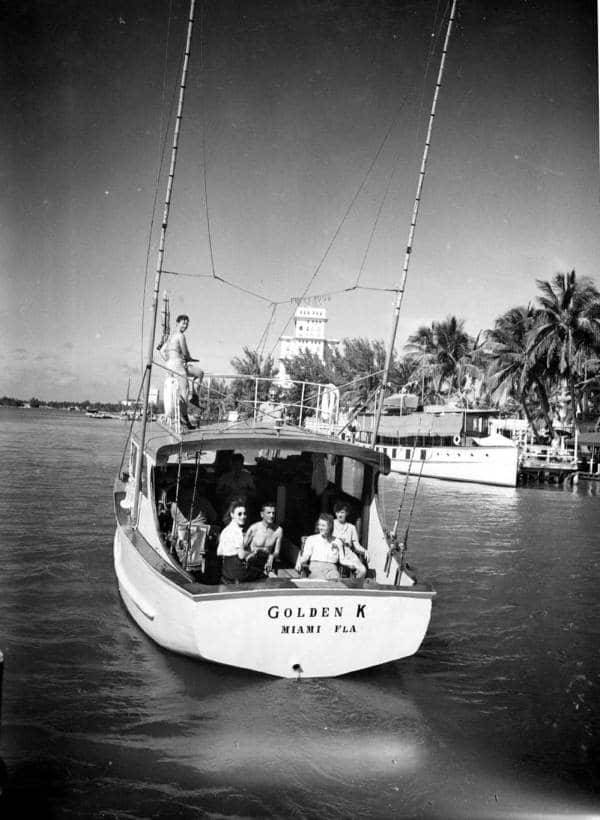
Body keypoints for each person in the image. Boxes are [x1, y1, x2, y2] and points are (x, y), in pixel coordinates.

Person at [159, 314, 204, 428]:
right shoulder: (180, 335)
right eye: (183, 323)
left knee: (199, 373)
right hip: (178, 365)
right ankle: (185, 421)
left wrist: (170, 360)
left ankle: (193, 396)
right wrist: (188, 359)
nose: (185, 325)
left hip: (170, 365)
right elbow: (185, 352)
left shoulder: (170, 337)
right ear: (177, 323)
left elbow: (162, 351)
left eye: (187, 323)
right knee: (184, 392)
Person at [217, 500, 263, 583]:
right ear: (232, 514)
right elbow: (241, 555)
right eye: (239, 514)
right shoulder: (238, 532)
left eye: (244, 513)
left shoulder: (225, 530)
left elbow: (219, 552)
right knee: (260, 574)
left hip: (225, 571)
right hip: (237, 573)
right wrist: (252, 553)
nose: (243, 516)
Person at [295, 513, 341, 580]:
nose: (320, 528)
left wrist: (355, 564)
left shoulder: (337, 541)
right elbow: (306, 555)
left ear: (330, 526)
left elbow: (343, 559)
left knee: (335, 578)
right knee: (320, 579)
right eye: (319, 525)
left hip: (332, 569)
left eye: (323, 525)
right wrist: (299, 562)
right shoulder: (311, 539)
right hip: (316, 568)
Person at [244, 502, 283, 575]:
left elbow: (277, 552)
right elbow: (242, 547)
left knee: (274, 582)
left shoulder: (278, 530)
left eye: (273, 513)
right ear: (262, 514)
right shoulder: (254, 528)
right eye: (268, 513)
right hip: (252, 564)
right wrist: (250, 555)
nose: (272, 516)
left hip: (267, 564)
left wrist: (272, 556)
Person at [332, 501, 368, 579]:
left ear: (347, 513)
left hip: (348, 553)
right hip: (334, 552)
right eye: (338, 512)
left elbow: (356, 546)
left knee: (362, 570)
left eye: (342, 512)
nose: (340, 515)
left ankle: (354, 586)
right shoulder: (331, 524)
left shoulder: (351, 527)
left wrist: (365, 551)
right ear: (335, 513)